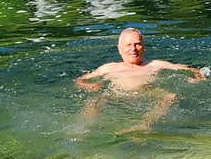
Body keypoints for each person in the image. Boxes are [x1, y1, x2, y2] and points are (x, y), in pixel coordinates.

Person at [75, 28, 203, 132]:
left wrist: (197, 77)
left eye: (137, 44)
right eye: (128, 45)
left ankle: (145, 124)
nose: (133, 49)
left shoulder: (155, 64)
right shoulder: (109, 68)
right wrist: (89, 86)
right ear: (119, 48)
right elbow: (80, 80)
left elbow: (191, 69)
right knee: (95, 100)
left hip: (148, 93)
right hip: (117, 95)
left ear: (143, 46)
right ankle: (83, 128)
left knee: (171, 97)